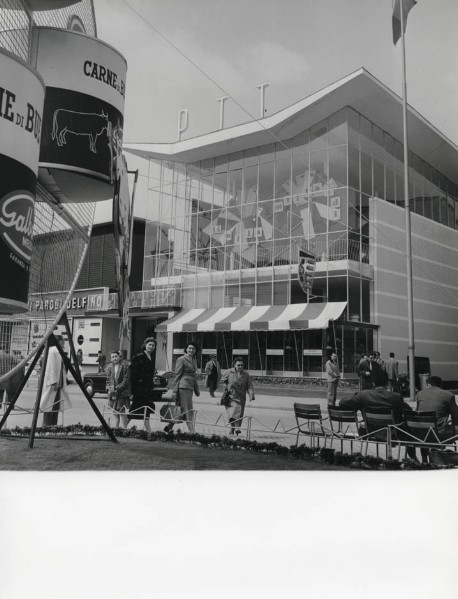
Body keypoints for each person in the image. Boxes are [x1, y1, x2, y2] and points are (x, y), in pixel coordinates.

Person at [339, 370, 417, 460]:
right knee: (408, 429)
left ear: (373, 383)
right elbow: (409, 412)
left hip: (369, 431)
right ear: (387, 383)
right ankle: (413, 458)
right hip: (393, 434)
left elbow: (343, 402)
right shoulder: (396, 397)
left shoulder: (363, 395)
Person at [416, 376, 458, 461]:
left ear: (428, 385)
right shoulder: (448, 395)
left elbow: (417, 411)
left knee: (425, 429)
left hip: (420, 434)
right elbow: (456, 415)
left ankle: (424, 458)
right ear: (441, 386)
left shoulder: (420, 394)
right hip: (439, 433)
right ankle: (437, 456)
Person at [165, 341, 200, 434]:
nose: (191, 350)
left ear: (196, 351)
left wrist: (196, 389)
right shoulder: (181, 359)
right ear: (186, 349)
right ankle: (192, 432)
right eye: (190, 348)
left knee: (180, 407)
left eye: (193, 349)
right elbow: (178, 375)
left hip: (190, 387)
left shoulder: (194, 360)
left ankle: (169, 426)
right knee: (188, 408)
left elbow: (194, 375)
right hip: (183, 387)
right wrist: (175, 390)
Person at [40, 335, 72, 426]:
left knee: (55, 406)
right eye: (63, 342)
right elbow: (51, 367)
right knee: (50, 406)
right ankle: (47, 425)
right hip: (53, 384)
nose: (64, 344)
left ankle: (52, 425)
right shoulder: (53, 351)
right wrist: (53, 382)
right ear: (58, 342)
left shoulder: (56, 351)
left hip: (58, 384)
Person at [220, 356, 255, 436]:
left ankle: (232, 430)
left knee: (239, 414)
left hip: (242, 397)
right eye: (238, 365)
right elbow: (222, 382)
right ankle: (237, 428)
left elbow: (249, 385)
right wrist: (227, 388)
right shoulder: (229, 372)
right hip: (231, 396)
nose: (240, 367)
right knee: (234, 411)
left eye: (242, 365)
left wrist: (251, 395)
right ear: (234, 365)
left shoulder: (246, 374)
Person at [128, 337, 157, 433]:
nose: (151, 347)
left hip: (147, 388)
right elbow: (133, 374)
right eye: (149, 345)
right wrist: (133, 390)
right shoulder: (138, 356)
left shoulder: (151, 358)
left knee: (146, 409)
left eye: (153, 345)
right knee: (136, 409)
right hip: (139, 388)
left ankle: (149, 431)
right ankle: (122, 428)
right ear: (145, 345)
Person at [105, 350, 131, 428]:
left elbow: (126, 380)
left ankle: (124, 428)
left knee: (121, 410)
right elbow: (108, 379)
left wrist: (117, 388)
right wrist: (109, 388)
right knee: (115, 411)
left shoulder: (125, 366)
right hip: (113, 393)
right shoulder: (110, 367)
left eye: (116, 356)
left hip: (122, 392)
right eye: (112, 357)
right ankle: (116, 428)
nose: (114, 358)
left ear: (119, 357)